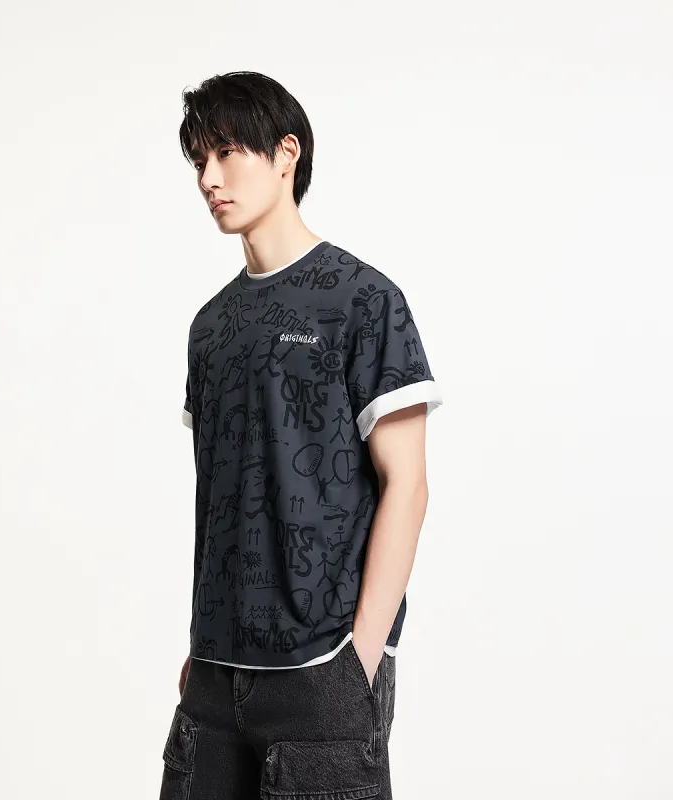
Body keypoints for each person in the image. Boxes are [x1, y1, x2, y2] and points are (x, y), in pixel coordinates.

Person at [160, 70, 443, 800]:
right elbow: (221, 496)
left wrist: (360, 658)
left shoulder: (363, 300)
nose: (209, 179)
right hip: (214, 675)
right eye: (199, 160)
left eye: (227, 153)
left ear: (286, 154)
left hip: (322, 670)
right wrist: (202, 642)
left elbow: (408, 485)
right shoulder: (209, 327)